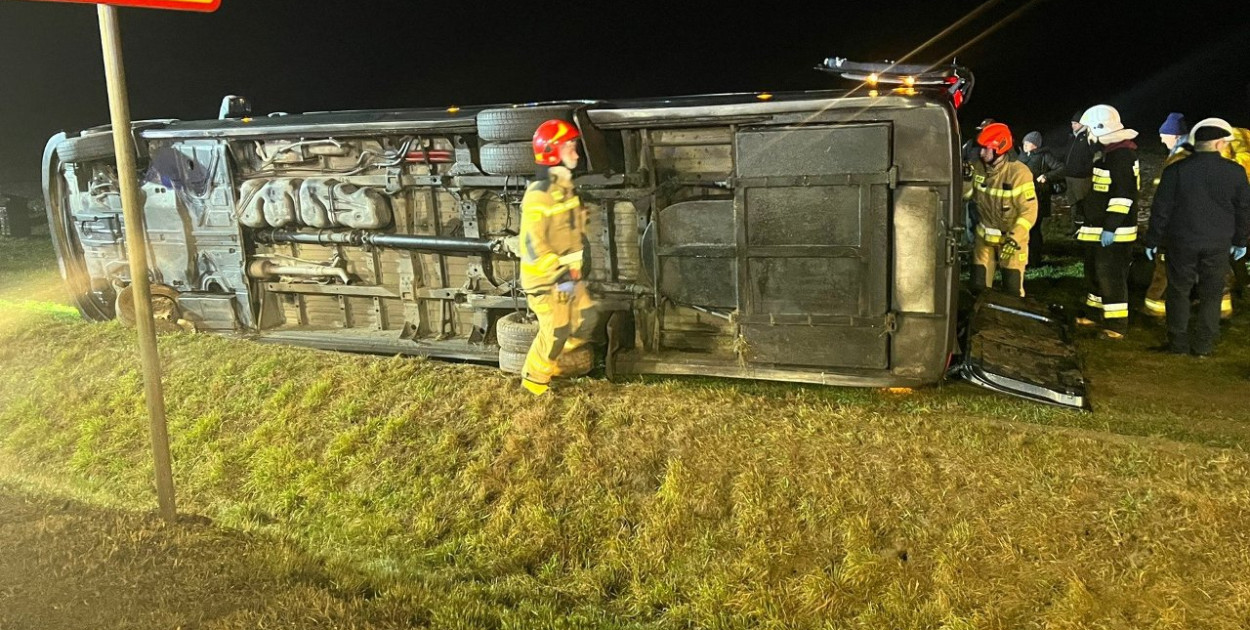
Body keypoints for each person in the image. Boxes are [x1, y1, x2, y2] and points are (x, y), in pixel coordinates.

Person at [1143, 118, 1250, 356]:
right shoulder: (1235, 172)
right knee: (1212, 294)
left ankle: (1178, 343)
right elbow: (1244, 209)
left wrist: (1153, 240)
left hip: (1181, 242)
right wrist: (1240, 241)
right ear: (1220, 144)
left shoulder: (1175, 170)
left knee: (1178, 292)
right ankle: (1204, 345)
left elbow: (1161, 209)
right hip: (1218, 243)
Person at [518, 119, 598, 395]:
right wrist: (559, 272)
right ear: (552, 153)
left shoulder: (565, 190)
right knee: (556, 331)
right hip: (546, 280)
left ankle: (554, 367)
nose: (576, 154)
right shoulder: (538, 196)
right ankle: (533, 385)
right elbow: (532, 244)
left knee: (587, 320)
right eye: (570, 148)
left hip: (568, 278)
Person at [1076, 104, 1140, 339]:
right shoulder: (1108, 154)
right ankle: (1094, 315)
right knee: (1094, 273)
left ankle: (1115, 326)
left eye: (1089, 131)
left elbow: (1123, 196)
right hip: (1098, 228)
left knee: (1111, 277)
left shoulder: (1121, 156)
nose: (1087, 136)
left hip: (1114, 232)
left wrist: (1111, 227)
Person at [965, 122, 1038, 297]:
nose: (981, 153)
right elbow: (965, 195)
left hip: (1011, 241)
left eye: (985, 149)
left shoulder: (1019, 173)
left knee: (1012, 291)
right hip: (984, 239)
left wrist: (1014, 239)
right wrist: (964, 178)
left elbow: (1029, 211)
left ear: (999, 148)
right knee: (978, 288)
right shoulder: (976, 167)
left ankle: (1012, 322)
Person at [1017, 131, 1065, 266]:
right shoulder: (1021, 157)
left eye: (1028, 143)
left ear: (1036, 145)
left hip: (1038, 198)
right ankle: (1023, 258)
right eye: (1024, 143)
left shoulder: (1045, 156)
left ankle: (1035, 259)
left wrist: (1046, 176)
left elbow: (1061, 168)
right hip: (1021, 199)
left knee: (1034, 229)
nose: (1025, 145)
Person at [1064, 110, 1096, 229]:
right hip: (1069, 175)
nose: (1073, 126)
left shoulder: (1089, 136)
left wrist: (1085, 169)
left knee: (1083, 203)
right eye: (1072, 123)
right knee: (1073, 203)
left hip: (1081, 177)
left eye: (1076, 123)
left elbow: (1095, 155)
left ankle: (1086, 227)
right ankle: (1074, 227)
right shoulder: (1072, 137)